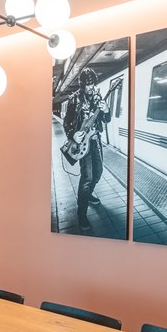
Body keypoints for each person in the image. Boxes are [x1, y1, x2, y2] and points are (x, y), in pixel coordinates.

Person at [62, 68, 110, 232]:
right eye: (88, 85)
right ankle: (81, 213)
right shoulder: (74, 100)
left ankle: (88, 194)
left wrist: (106, 111)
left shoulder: (98, 97)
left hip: (95, 141)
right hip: (83, 144)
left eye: (93, 84)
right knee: (87, 176)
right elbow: (66, 122)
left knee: (99, 172)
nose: (91, 87)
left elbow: (106, 120)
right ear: (82, 85)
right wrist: (72, 135)